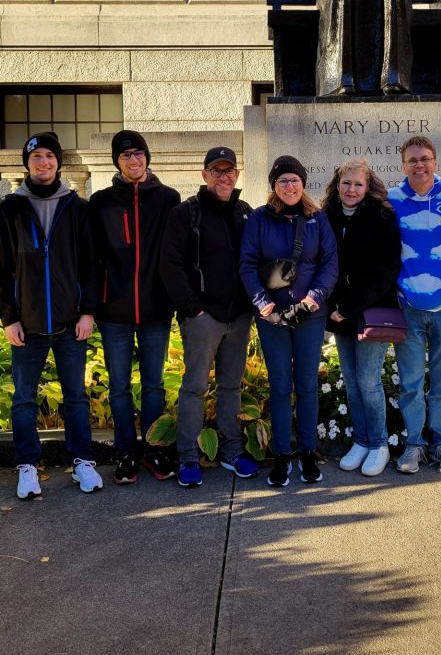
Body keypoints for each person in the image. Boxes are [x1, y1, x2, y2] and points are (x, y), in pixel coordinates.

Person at [0, 132, 102, 498]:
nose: (43, 163)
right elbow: (2, 268)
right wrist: (8, 317)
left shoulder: (78, 207)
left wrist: (87, 311)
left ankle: (82, 461)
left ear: (59, 162)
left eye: (49, 156)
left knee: (75, 395)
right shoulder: (9, 208)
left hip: (69, 321)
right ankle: (28, 465)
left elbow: (91, 265)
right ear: (26, 163)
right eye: (36, 157)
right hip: (25, 324)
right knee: (24, 398)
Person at [160, 147, 258, 488]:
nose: (224, 176)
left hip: (239, 316)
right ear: (204, 175)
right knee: (195, 388)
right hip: (203, 318)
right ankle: (188, 456)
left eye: (229, 170)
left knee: (230, 386)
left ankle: (231, 450)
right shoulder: (185, 213)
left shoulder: (245, 213)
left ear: (237, 174)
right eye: (216, 171)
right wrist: (194, 309)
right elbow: (170, 266)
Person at [240, 155, 338, 488]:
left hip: (310, 314)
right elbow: (247, 265)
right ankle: (282, 454)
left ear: (303, 183)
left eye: (294, 180)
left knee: (307, 385)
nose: (289, 186)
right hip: (273, 317)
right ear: (274, 186)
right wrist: (263, 305)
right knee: (281, 385)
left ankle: (307, 451)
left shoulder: (317, 218)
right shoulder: (259, 218)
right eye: (283, 181)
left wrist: (315, 298)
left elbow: (330, 263)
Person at [90, 130, 181, 485]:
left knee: (155, 384)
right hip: (115, 312)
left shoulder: (168, 198)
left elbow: (176, 254)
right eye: (126, 156)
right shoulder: (101, 202)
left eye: (139, 154)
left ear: (147, 157)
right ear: (117, 161)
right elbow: (92, 257)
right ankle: (126, 451)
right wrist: (97, 300)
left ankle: (155, 448)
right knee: (118, 386)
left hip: (156, 310)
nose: (133, 160)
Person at [387, 136, 441, 474]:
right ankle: (414, 445)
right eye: (413, 160)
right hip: (409, 308)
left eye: (426, 159)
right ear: (403, 165)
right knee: (411, 382)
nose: (420, 165)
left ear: (436, 162)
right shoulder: (391, 199)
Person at [322, 159, 401, 477]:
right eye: (346, 183)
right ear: (337, 185)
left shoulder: (382, 217)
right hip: (339, 312)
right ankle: (361, 440)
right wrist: (332, 304)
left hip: (370, 310)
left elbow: (386, 271)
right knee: (352, 383)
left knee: (369, 382)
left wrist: (349, 305)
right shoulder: (326, 215)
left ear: (367, 187)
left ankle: (379, 443)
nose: (351, 189)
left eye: (358, 184)